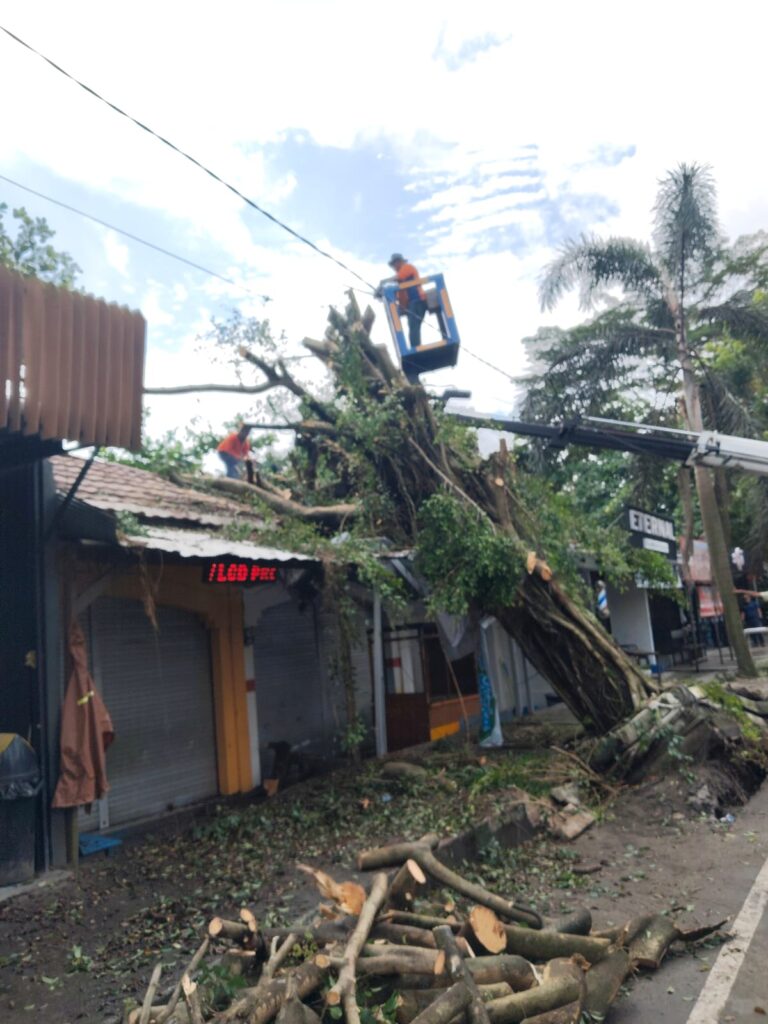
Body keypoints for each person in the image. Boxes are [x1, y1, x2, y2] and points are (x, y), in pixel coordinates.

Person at [378, 253, 427, 349]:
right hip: (412, 304)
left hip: (418, 301)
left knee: (413, 326)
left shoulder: (407, 268)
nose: (394, 266)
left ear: (400, 262)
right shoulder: (400, 282)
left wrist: (382, 283)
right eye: (393, 264)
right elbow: (401, 297)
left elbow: (398, 277)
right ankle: (415, 347)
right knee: (413, 326)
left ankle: (415, 348)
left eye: (396, 263)